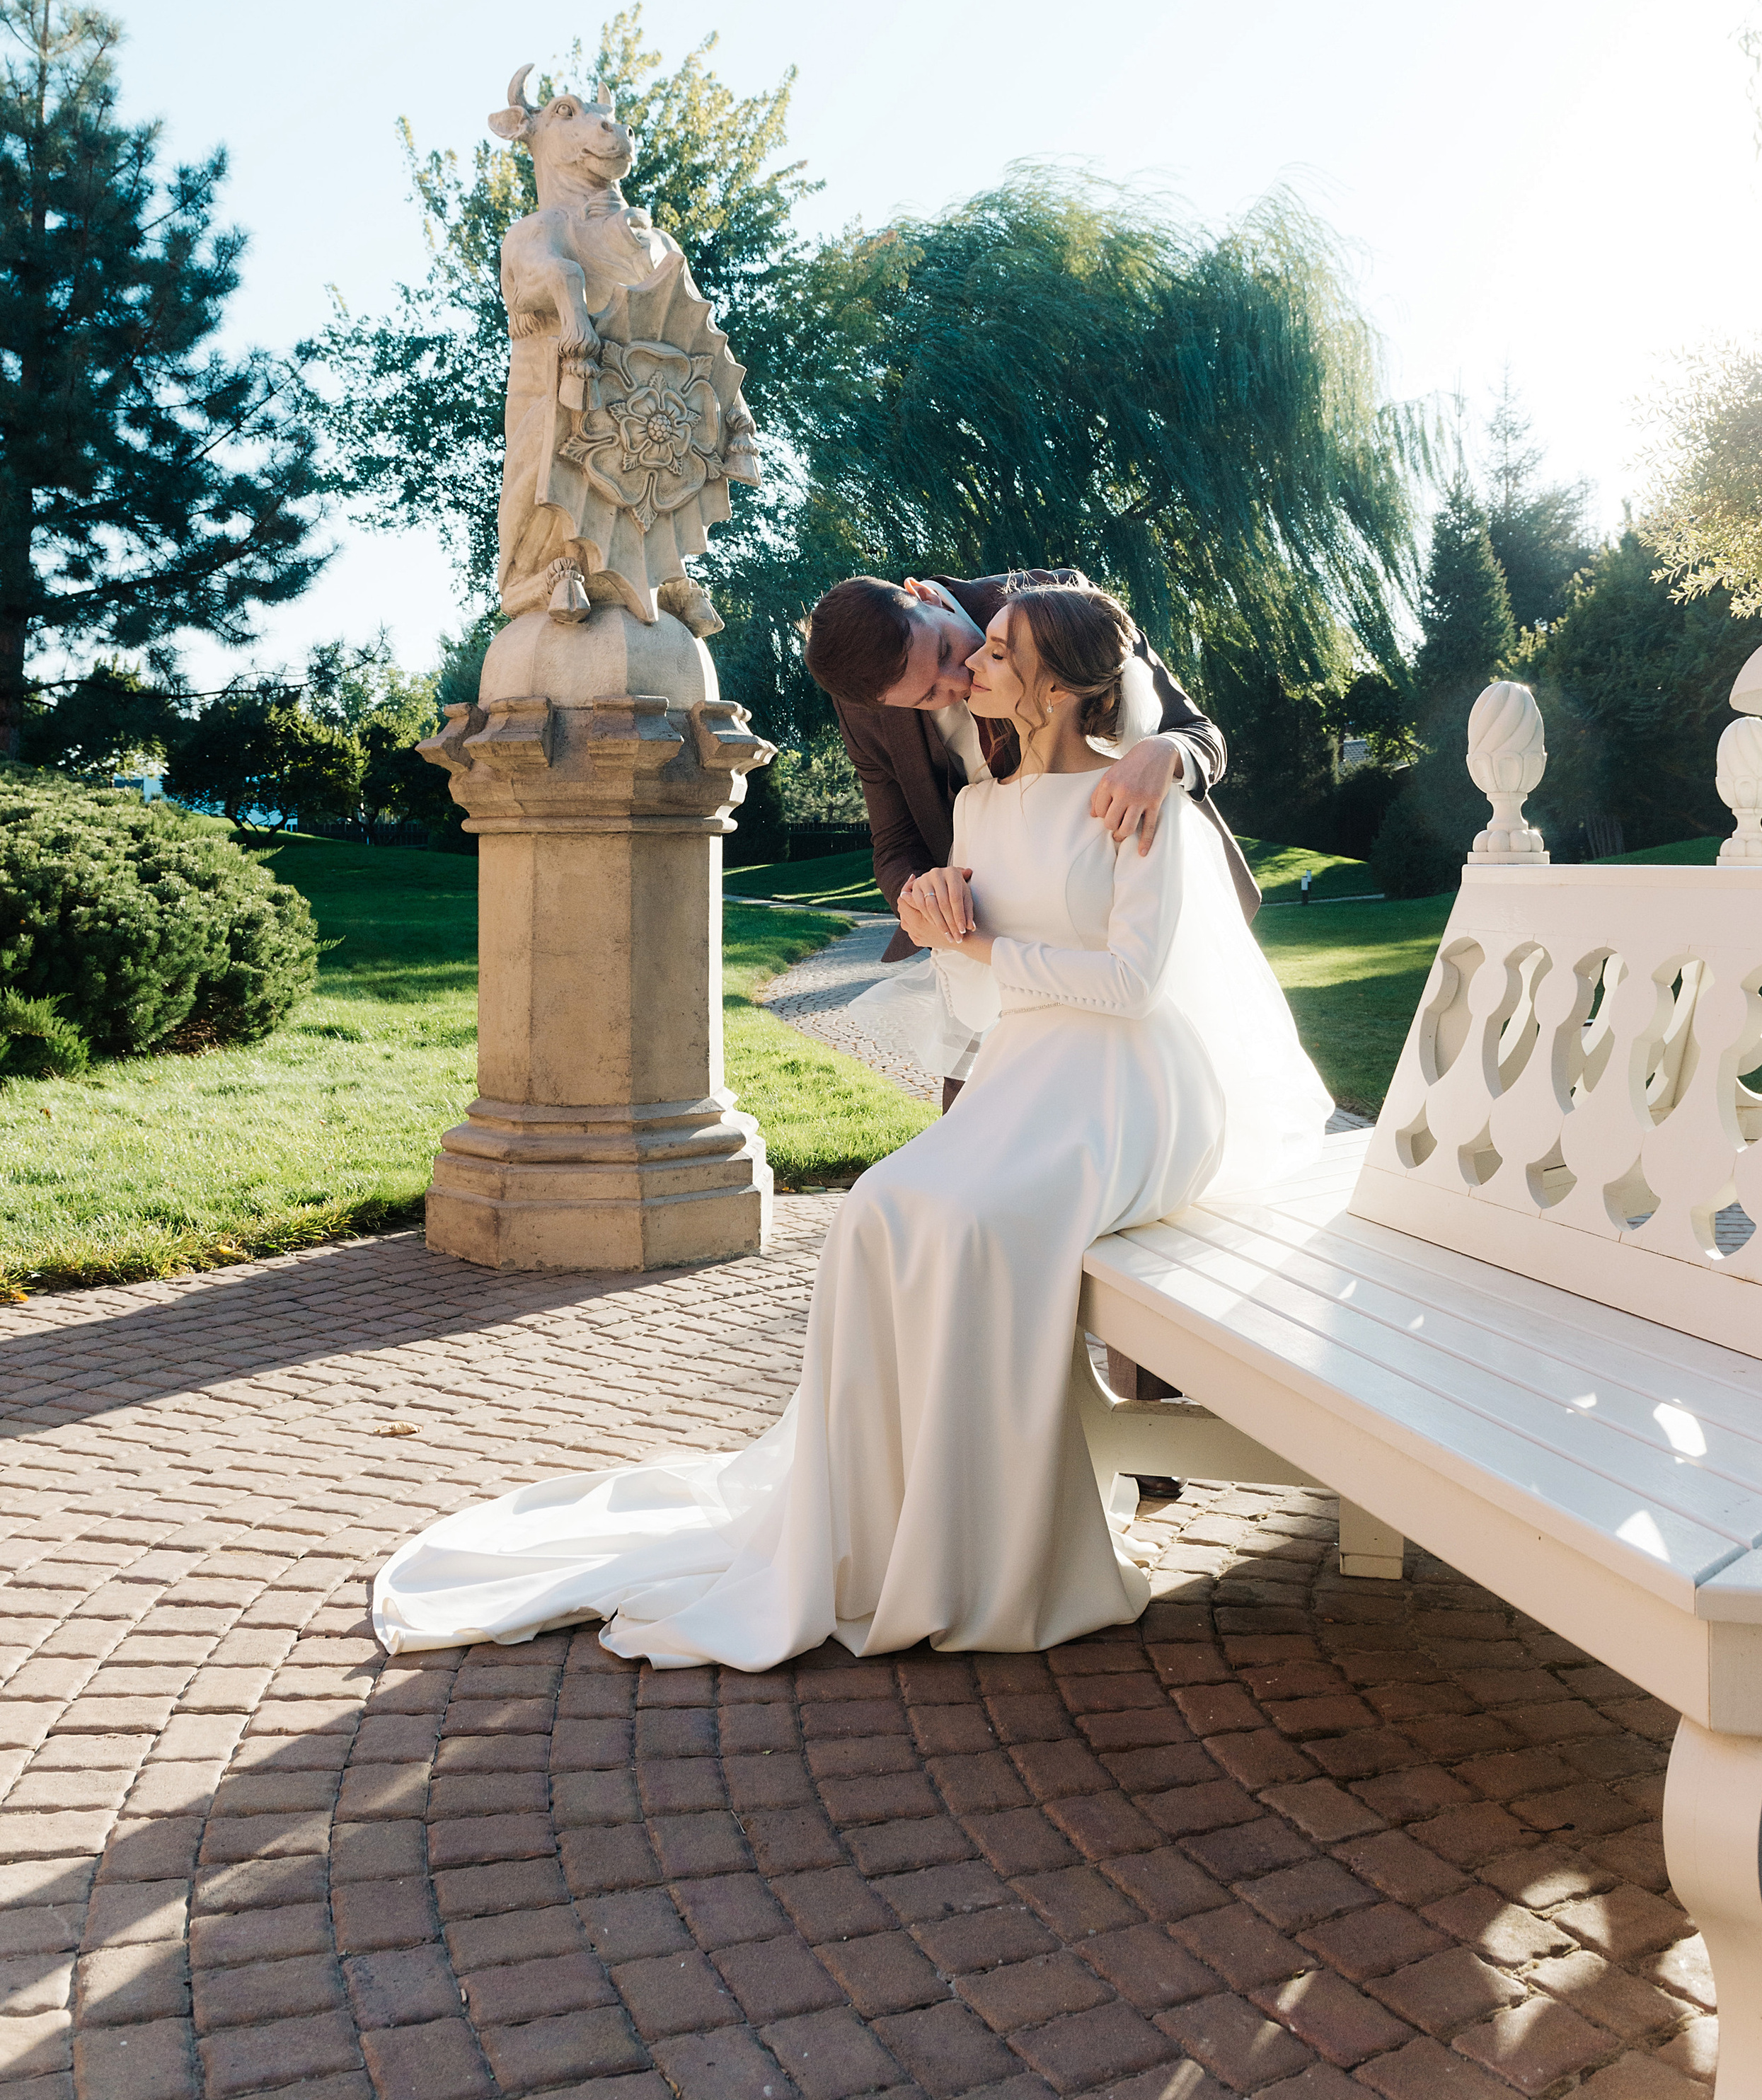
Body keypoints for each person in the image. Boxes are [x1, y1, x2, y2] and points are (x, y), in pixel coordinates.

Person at [372, 583, 1332, 1668]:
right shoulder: (968, 795)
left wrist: (1167, 763)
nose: (956, 688)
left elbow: (1133, 972)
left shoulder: (1092, 700)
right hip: (1030, 1052)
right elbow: (912, 874)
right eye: (927, 689)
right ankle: (894, 1520)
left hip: (1131, 1078)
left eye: (963, 663)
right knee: (880, 1211)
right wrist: (930, 910)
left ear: (998, 646)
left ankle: (1051, 1505)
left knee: (978, 1225)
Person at [803, 569, 1260, 1108]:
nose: (961, 678)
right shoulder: (864, 705)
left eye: (950, 648)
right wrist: (922, 893)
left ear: (925, 598)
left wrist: (1166, 753)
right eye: (929, 693)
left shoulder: (1054, 602)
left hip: (1101, 902)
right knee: (968, 1133)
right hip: (991, 932)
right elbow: (895, 843)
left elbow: (1199, 732)